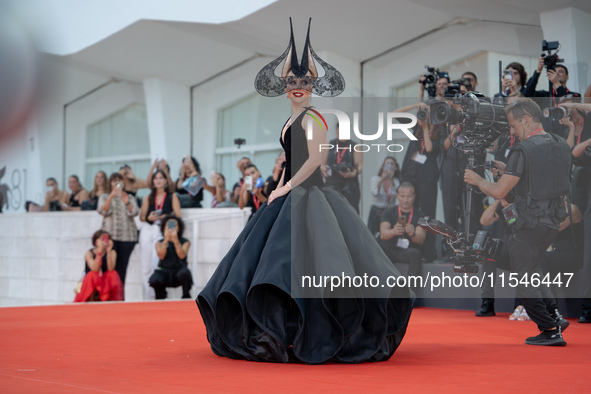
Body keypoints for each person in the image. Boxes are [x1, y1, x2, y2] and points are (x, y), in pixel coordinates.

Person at [197, 18, 413, 364]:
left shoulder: (314, 118)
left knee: (310, 264)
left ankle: (318, 332)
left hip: (311, 196)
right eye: (293, 82)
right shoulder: (291, 119)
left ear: (313, 87)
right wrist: (281, 184)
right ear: (285, 87)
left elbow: (314, 160)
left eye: (305, 81)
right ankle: (286, 331)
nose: (298, 87)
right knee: (281, 266)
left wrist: (285, 187)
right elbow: (293, 158)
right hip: (290, 194)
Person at [464, 98, 571, 346]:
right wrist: (510, 168)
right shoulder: (561, 144)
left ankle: (550, 331)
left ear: (526, 119)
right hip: (553, 223)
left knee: (524, 280)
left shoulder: (522, 150)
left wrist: (478, 180)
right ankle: (555, 316)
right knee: (533, 272)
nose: (512, 132)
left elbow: (500, 191)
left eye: (513, 125)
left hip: (529, 225)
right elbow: (544, 179)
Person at [396, 101, 441, 261]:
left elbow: (429, 148)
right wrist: (414, 106)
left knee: (427, 214)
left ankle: (428, 253)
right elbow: (396, 114)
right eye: (425, 110)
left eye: (429, 111)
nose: (426, 115)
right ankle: (410, 249)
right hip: (410, 172)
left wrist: (425, 127)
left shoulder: (440, 128)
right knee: (409, 212)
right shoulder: (416, 123)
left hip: (427, 175)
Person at [139, 169, 181, 300]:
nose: (158, 180)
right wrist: (149, 217)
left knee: (155, 263)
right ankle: (148, 297)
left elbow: (178, 215)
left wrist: (165, 217)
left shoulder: (172, 196)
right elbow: (141, 216)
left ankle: (157, 295)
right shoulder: (148, 197)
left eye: (160, 178)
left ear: (165, 181)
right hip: (147, 228)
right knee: (145, 265)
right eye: (155, 178)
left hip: (161, 230)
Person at [379, 182, 427, 288]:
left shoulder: (420, 216)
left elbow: (421, 239)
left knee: (416, 254)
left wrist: (412, 233)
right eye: (403, 196)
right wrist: (394, 231)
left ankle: (410, 292)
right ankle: (381, 289)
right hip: (390, 248)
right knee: (379, 249)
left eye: (409, 196)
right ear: (397, 196)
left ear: (414, 196)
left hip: (408, 251)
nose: (406, 200)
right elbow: (383, 234)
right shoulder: (388, 212)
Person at [98, 172, 139, 293]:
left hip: (128, 238)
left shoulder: (130, 197)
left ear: (123, 183)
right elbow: (103, 211)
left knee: (122, 268)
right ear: (110, 183)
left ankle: (120, 296)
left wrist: (126, 202)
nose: (116, 183)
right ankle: (106, 295)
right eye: (113, 180)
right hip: (110, 238)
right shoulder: (105, 196)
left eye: (119, 180)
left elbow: (134, 212)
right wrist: (111, 196)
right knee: (108, 266)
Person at [321, 124, 362, 213]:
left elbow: (359, 167)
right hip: (331, 184)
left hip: (349, 187)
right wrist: (323, 169)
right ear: (336, 131)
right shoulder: (329, 144)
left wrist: (353, 173)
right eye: (339, 132)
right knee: (331, 212)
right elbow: (322, 164)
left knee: (350, 213)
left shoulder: (355, 146)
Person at [149, 215, 193, 299]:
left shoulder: (185, 242)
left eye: (174, 226)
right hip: (164, 271)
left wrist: (176, 241)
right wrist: (166, 241)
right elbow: (161, 256)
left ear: (179, 228)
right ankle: (160, 298)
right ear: (164, 228)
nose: (171, 228)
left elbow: (182, 256)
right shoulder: (159, 242)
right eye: (168, 226)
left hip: (179, 272)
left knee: (185, 273)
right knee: (155, 278)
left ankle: (186, 296)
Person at [74, 230, 123, 302]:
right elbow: (95, 269)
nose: (103, 241)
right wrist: (99, 253)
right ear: (95, 241)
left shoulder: (112, 252)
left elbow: (110, 269)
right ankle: (90, 299)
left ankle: (109, 299)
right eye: (100, 239)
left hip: (105, 282)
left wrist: (108, 251)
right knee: (93, 274)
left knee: (113, 274)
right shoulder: (89, 253)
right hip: (92, 281)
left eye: (105, 239)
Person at [367, 157, 400, 236]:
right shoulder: (376, 179)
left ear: (395, 168)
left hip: (389, 211)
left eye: (392, 164)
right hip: (376, 211)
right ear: (383, 167)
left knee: (387, 235)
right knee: (372, 235)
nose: (389, 166)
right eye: (387, 164)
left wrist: (391, 180)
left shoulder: (397, 181)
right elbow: (375, 193)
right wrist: (381, 179)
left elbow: (397, 194)